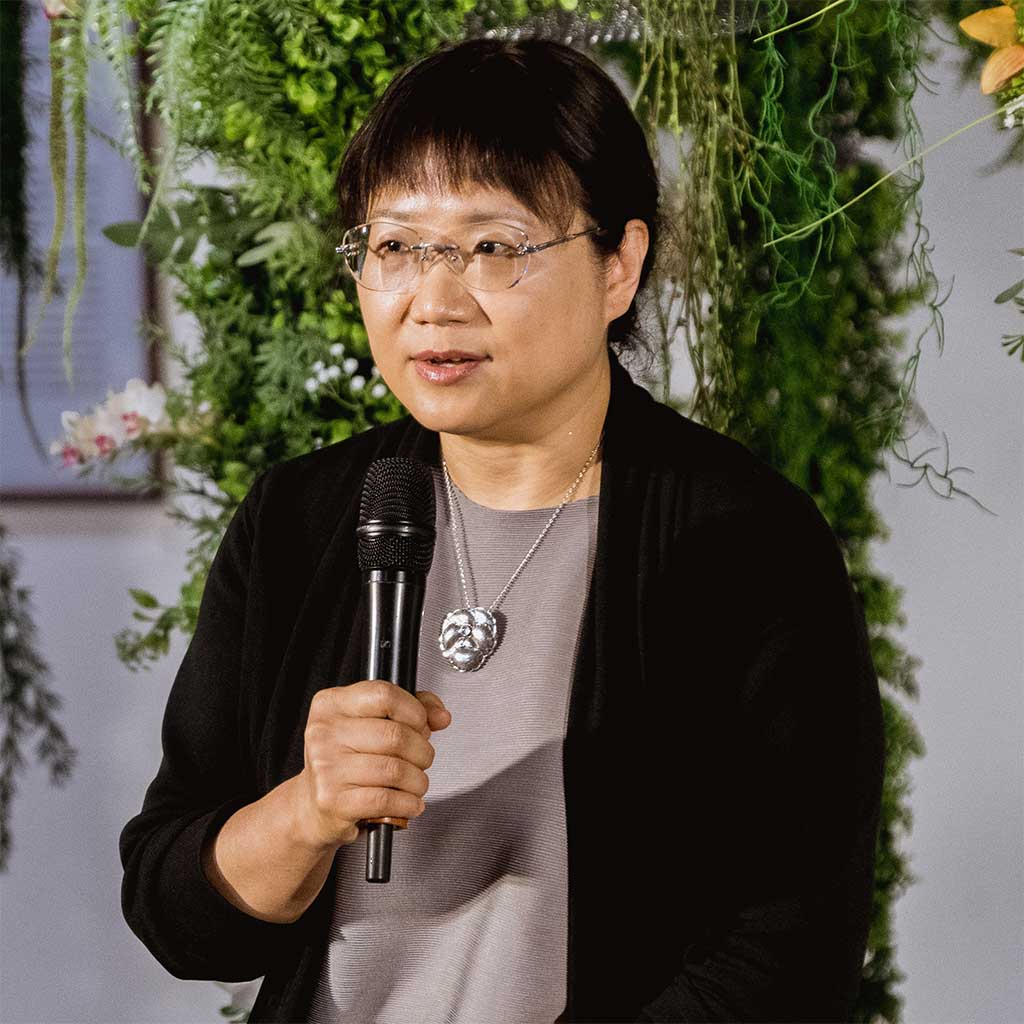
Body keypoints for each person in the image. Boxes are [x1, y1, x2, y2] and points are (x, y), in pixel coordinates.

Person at [119, 36, 885, 1024]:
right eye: (395, 247)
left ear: (619, 266)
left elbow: (792, 947)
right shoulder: (300, 520)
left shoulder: (743, 542)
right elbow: (177, 912)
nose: (434, 302)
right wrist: (307, 811)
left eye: (493, 248)